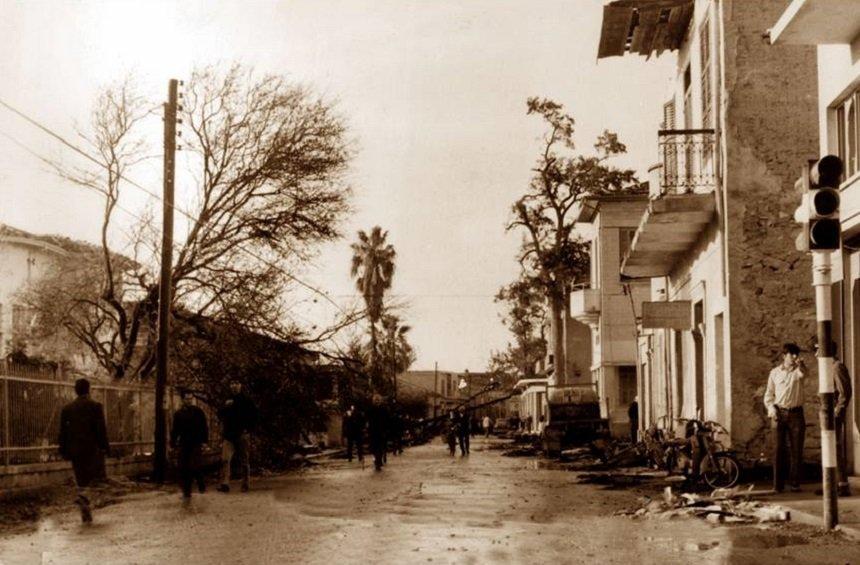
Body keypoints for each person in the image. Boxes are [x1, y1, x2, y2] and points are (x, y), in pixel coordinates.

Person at [58, 378, 110, 523]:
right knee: (94, 478)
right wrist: (106, 447)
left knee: (81, 477)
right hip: (92, 449)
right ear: (88, 390)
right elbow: (101, 430)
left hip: (75, 450)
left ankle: (84, 502)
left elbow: (63, 432)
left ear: (75, 390)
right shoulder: (96, 407)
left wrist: (63, 450)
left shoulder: (67, 409)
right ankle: (84, 498)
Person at [764, 342, 807, 493]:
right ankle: (777, 485)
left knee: (796, 449)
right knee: (778, 450)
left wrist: (801, 365)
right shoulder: (774, 373)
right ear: (784, 356)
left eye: (796, 354)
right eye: (791, 354)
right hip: (779, 413)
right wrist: (771, 409)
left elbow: (804, 374)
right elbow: (768, 395)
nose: (795, 357)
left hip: (796, 414)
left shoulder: (799, 372)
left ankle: (795, 483)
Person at [815, 340, 853, 497]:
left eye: (818, 350)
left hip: (833, 415)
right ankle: (831, 484)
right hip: (825, 413)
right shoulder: (827, 368)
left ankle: (842, 484)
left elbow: (845, 392)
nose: (816, 354)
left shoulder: (837, 367)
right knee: (828, 450)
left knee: (834, 449)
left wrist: (837, 411)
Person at [217, 380, 258, 493]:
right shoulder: (226, 399)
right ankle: (225, 484)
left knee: (244, 460)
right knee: (225, 459)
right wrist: (225, 407)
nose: (234, 385)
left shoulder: (246, 400)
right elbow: (219, 414)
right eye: (232, 383)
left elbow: (254, 416)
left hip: (241, 435)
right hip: (228, 435)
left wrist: (248, 430)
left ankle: (245, 484)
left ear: (241, 385)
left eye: (236, 383)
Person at [171, 389, 209, 502]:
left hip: (196, 442)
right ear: (183, 400)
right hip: (184, 443)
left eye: (190, 398)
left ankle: (200, 481)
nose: (189, 401)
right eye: (187, 399)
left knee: (195, 465)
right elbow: (175, 430)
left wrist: (204, 441)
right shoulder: (178, 414)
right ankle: (187, 492)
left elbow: (204, 427)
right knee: (184, 467)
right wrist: (173, 443)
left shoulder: (198, 412)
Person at [366, 394, 389, 471]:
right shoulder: (370, 410)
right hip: (374, 431)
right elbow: (367, 420)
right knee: (375, 447)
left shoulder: (383, 410)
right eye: (375, 400)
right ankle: (377, 461)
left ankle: (378, 461)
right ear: (373, 401)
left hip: (379, 431)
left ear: (380, 401)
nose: (376, 402)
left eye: (378, 400)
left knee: (379, 447)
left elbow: (387, 421)